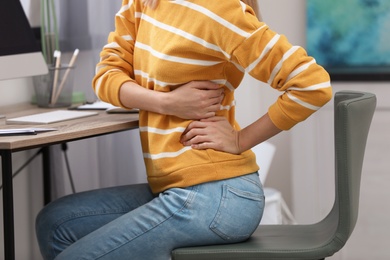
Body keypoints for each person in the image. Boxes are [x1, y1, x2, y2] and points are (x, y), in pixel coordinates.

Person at [35, 0, 332, 259]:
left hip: (220, 195)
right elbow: (105, 78)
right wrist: (167, 102)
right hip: (173, 188)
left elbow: (312, 85)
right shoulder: (143, 2)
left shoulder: (221, 9)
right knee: (56, 222)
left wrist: (241, 139)